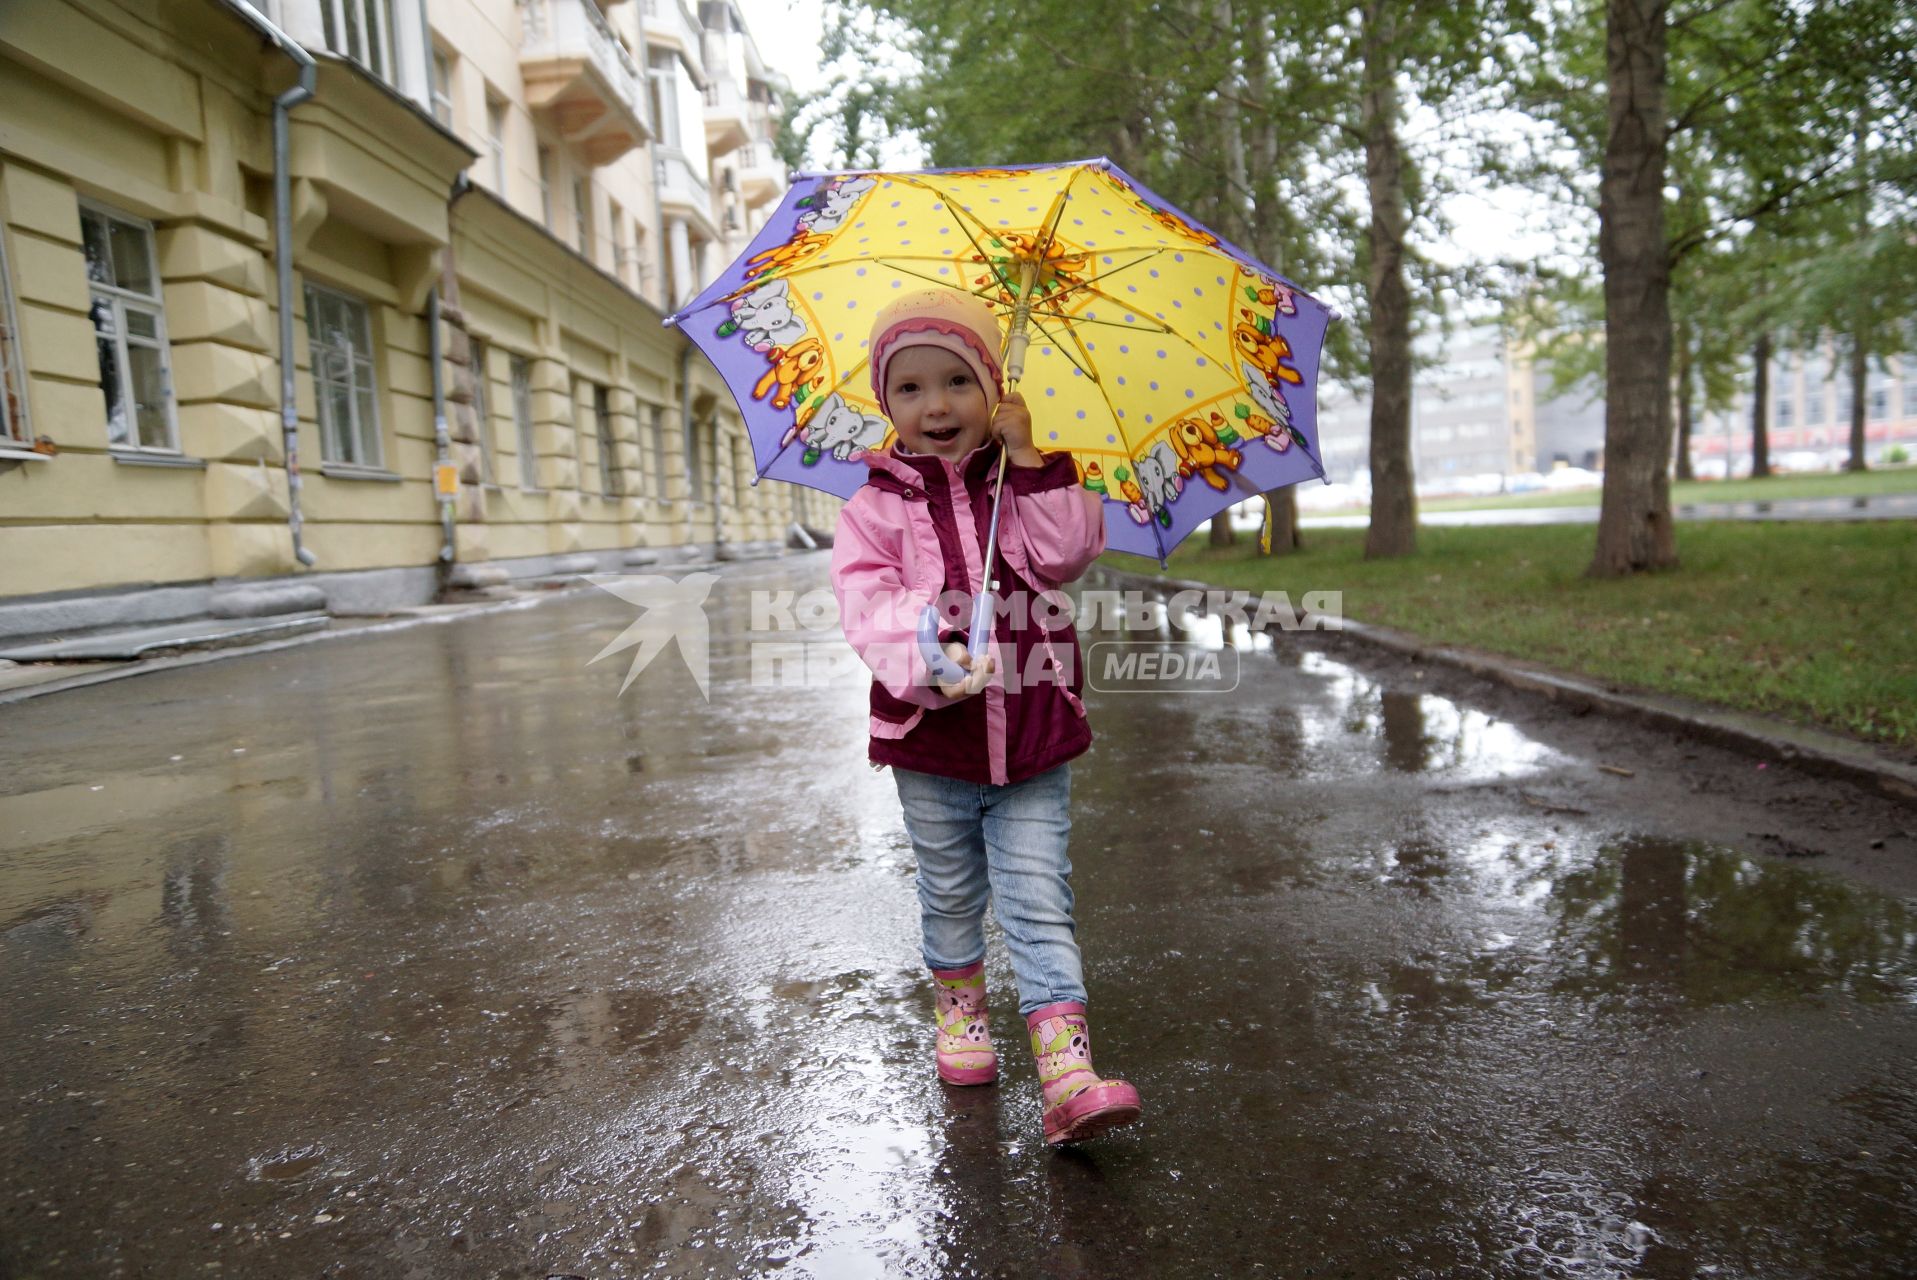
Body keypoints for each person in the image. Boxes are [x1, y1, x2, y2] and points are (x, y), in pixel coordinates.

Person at [829, 289, 1142, 1146]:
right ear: (885, 404)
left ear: (994, 389)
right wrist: (930, 654)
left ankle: (1067, 1074)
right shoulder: (874, 508)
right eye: (911, 388)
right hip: (930, 742)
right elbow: (867, 601)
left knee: (1040, 900)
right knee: (952, 891)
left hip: (1033, 736)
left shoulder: (1025, 478)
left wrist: (1031, 456)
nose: (936, 405)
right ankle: (961, 1013)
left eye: (959, 381)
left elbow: (1066, 553)